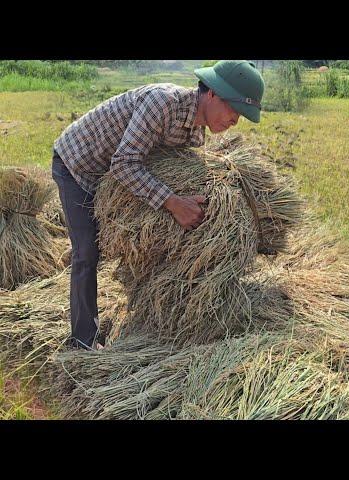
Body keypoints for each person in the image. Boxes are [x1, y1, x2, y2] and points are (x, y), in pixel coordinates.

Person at [51, 60, 265, 350]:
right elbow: (125, 164)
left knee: (108, 241)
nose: (235, 121)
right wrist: (174, 204)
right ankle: (81, 341)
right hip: (78, 164)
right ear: (213, 93)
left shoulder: (195, 133)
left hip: (108, 178)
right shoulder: (163, 104)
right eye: (234, 110)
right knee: (88, 253)